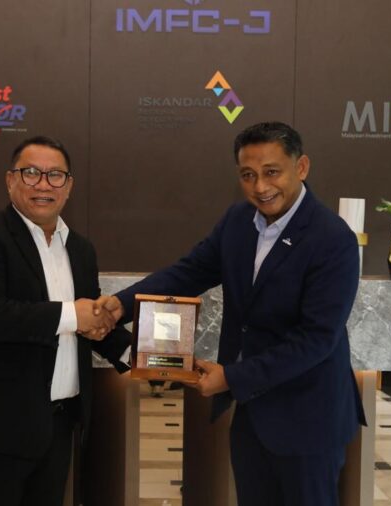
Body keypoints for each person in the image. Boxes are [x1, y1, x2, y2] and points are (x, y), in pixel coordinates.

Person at [97, 122, 366, 505]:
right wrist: (122, 304)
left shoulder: (333, 238)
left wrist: (232, 377)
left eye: (272, 172)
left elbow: (316, 340)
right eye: (248, 175)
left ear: (301, 167)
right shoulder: (238, 221)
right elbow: (190, 272)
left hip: (309, 418)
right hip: (253, 413)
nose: (260, 186)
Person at [0, 136, 131, 506]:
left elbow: (94, 323)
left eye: (55, 175)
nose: (43, 184)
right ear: (10, 180)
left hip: (57, 426)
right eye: (31, 173)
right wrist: (72, 314)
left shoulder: (80, 249)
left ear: (69, 186)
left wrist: (147, 356)